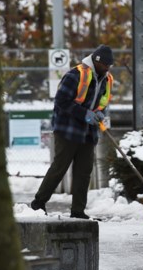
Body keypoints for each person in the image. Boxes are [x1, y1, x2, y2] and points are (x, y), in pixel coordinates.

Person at [30, 44, 114, 220]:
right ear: (97, 61)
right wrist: (84, 114)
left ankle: (78, 211)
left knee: (84, 172)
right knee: (59, 168)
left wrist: (99, 112)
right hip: (68, 129)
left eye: (109, 66)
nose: (107, 68)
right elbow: (61, 101)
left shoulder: (106, 79)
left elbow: (103, 101)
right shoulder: (76, 74)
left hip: (88, 132)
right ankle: (38, 204)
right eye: (105, 65)